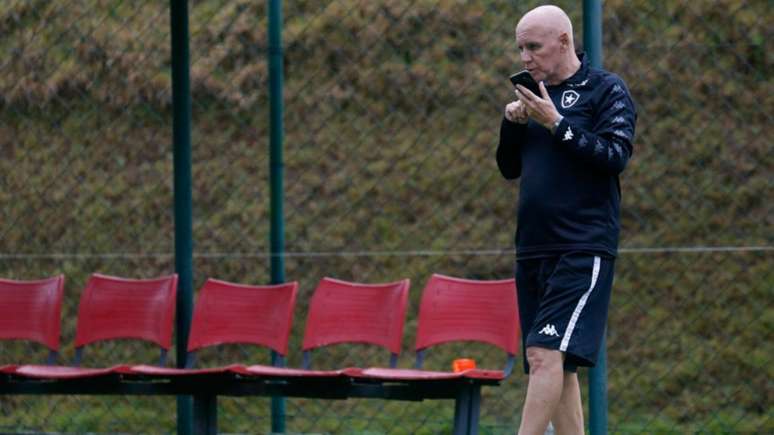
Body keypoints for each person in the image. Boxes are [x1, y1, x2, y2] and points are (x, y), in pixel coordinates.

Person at [496, 5, 637, 435]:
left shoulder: (605, 90)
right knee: (561, 364)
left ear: (563, 42)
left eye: (533, 47)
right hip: (534, 247)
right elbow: (509, 168)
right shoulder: (533, 95)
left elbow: (615, 156)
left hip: (582, 245)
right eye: (520, 48)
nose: (524, 58)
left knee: (542, 352)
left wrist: (557, 123)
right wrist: (513, 124)